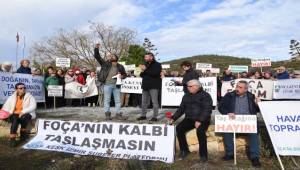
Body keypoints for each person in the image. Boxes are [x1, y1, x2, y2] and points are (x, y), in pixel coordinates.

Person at [218, 80, 261, 167]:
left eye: (240, 87)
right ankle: (230, 154)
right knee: (227, 132)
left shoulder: (251, 96)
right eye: (237, 86)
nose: (237, 89)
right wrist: (227, 113)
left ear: (245, 89)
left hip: (248, 121)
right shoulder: (229, 95)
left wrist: (258, 104)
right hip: (234, 120)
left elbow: (257, 110)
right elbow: (221, 107)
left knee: (254, 134)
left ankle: (254, 157)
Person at [169, 79, 213, 162]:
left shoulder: (205, 95)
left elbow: (207, 110)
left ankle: (203, 155)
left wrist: (200, 120)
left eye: (190, 86)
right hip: (189, 118)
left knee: (200, 131)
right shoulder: (186, 96)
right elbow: (181, 109)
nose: (188, 88)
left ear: (197, 86)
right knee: (179, 128)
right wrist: (173, 118)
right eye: (187, 86)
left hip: (203, 119)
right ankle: (184, 150)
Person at [94, 44, 127, 120]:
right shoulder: (105, 64)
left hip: (117, 86)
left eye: (113, 56)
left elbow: (125, 75)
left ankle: (118, 114)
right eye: (111, 56)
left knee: (118, 101)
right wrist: (96, 48)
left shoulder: (120, 66)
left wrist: (121, 76)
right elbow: (97, 56)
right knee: (107, 100)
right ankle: (107, 114)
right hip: (107, 85)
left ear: (116, 58)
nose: (111, 56)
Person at [1, 83, 36, 147]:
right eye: (21, 88)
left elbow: (33, 106)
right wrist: (4, 114)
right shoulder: (11, 97)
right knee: (15, 119)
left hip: (26, 113)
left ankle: (23, 135)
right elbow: (6, 107)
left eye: (24, 88)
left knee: (24, 117)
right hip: (14, 114)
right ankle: (12, 139)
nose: (23, 89)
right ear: (16, 89)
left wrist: (23, 111)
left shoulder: (30, 96)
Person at [137, 52, 162, 121]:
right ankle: (143, 115)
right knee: (144, 102)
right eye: (145, 57)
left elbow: (155, 73)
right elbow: (142, 75)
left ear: (151, 57)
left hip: (154, 86)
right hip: (145, 85)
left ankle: (155, 117)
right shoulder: (145, 65)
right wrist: (142, 71)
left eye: (146, 57)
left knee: (154, 102)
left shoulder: (157, 64)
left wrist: (145, 70)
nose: (145, 58)